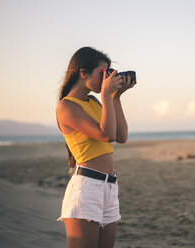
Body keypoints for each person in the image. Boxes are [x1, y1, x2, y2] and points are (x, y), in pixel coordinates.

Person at [56, 47, 136, 248]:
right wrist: (107, 97)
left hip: (109, 187)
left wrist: (116, 98)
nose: (107, 78)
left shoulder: (93, 102)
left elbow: (120, 136)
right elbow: (106, 135)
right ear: (83, 73)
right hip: (87, 189)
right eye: (103, 73)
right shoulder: (66, 106)